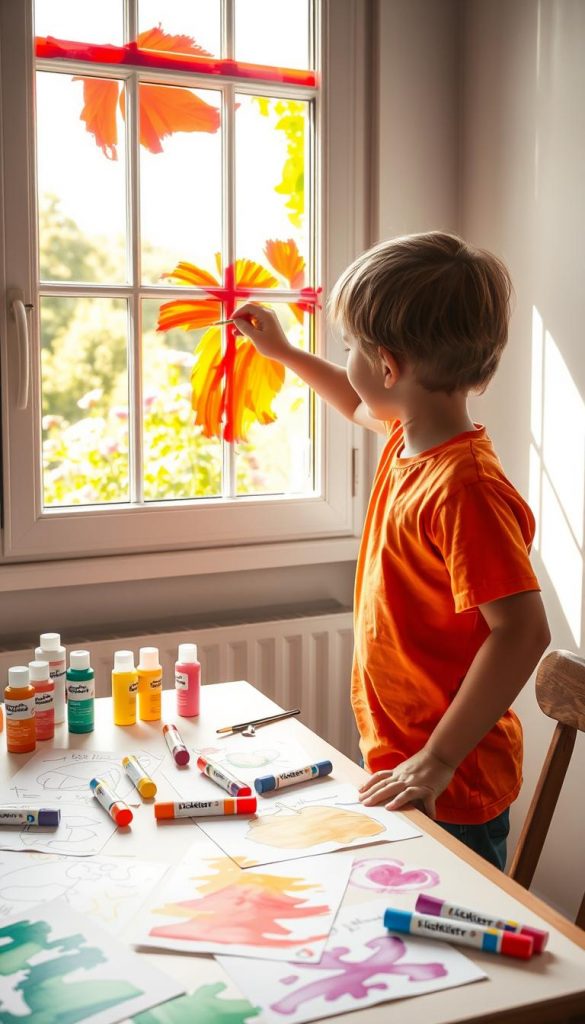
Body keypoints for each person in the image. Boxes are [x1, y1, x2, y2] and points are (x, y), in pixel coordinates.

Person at [233, 231, 550, 870]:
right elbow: (355, 401)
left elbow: (522, 632)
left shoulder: (465, 489)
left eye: (349, 347)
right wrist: (285, 352)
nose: (345, 360)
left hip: (449, 783)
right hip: (405, 760)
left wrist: (437, 759)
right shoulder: (410, 435)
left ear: (387, 365)